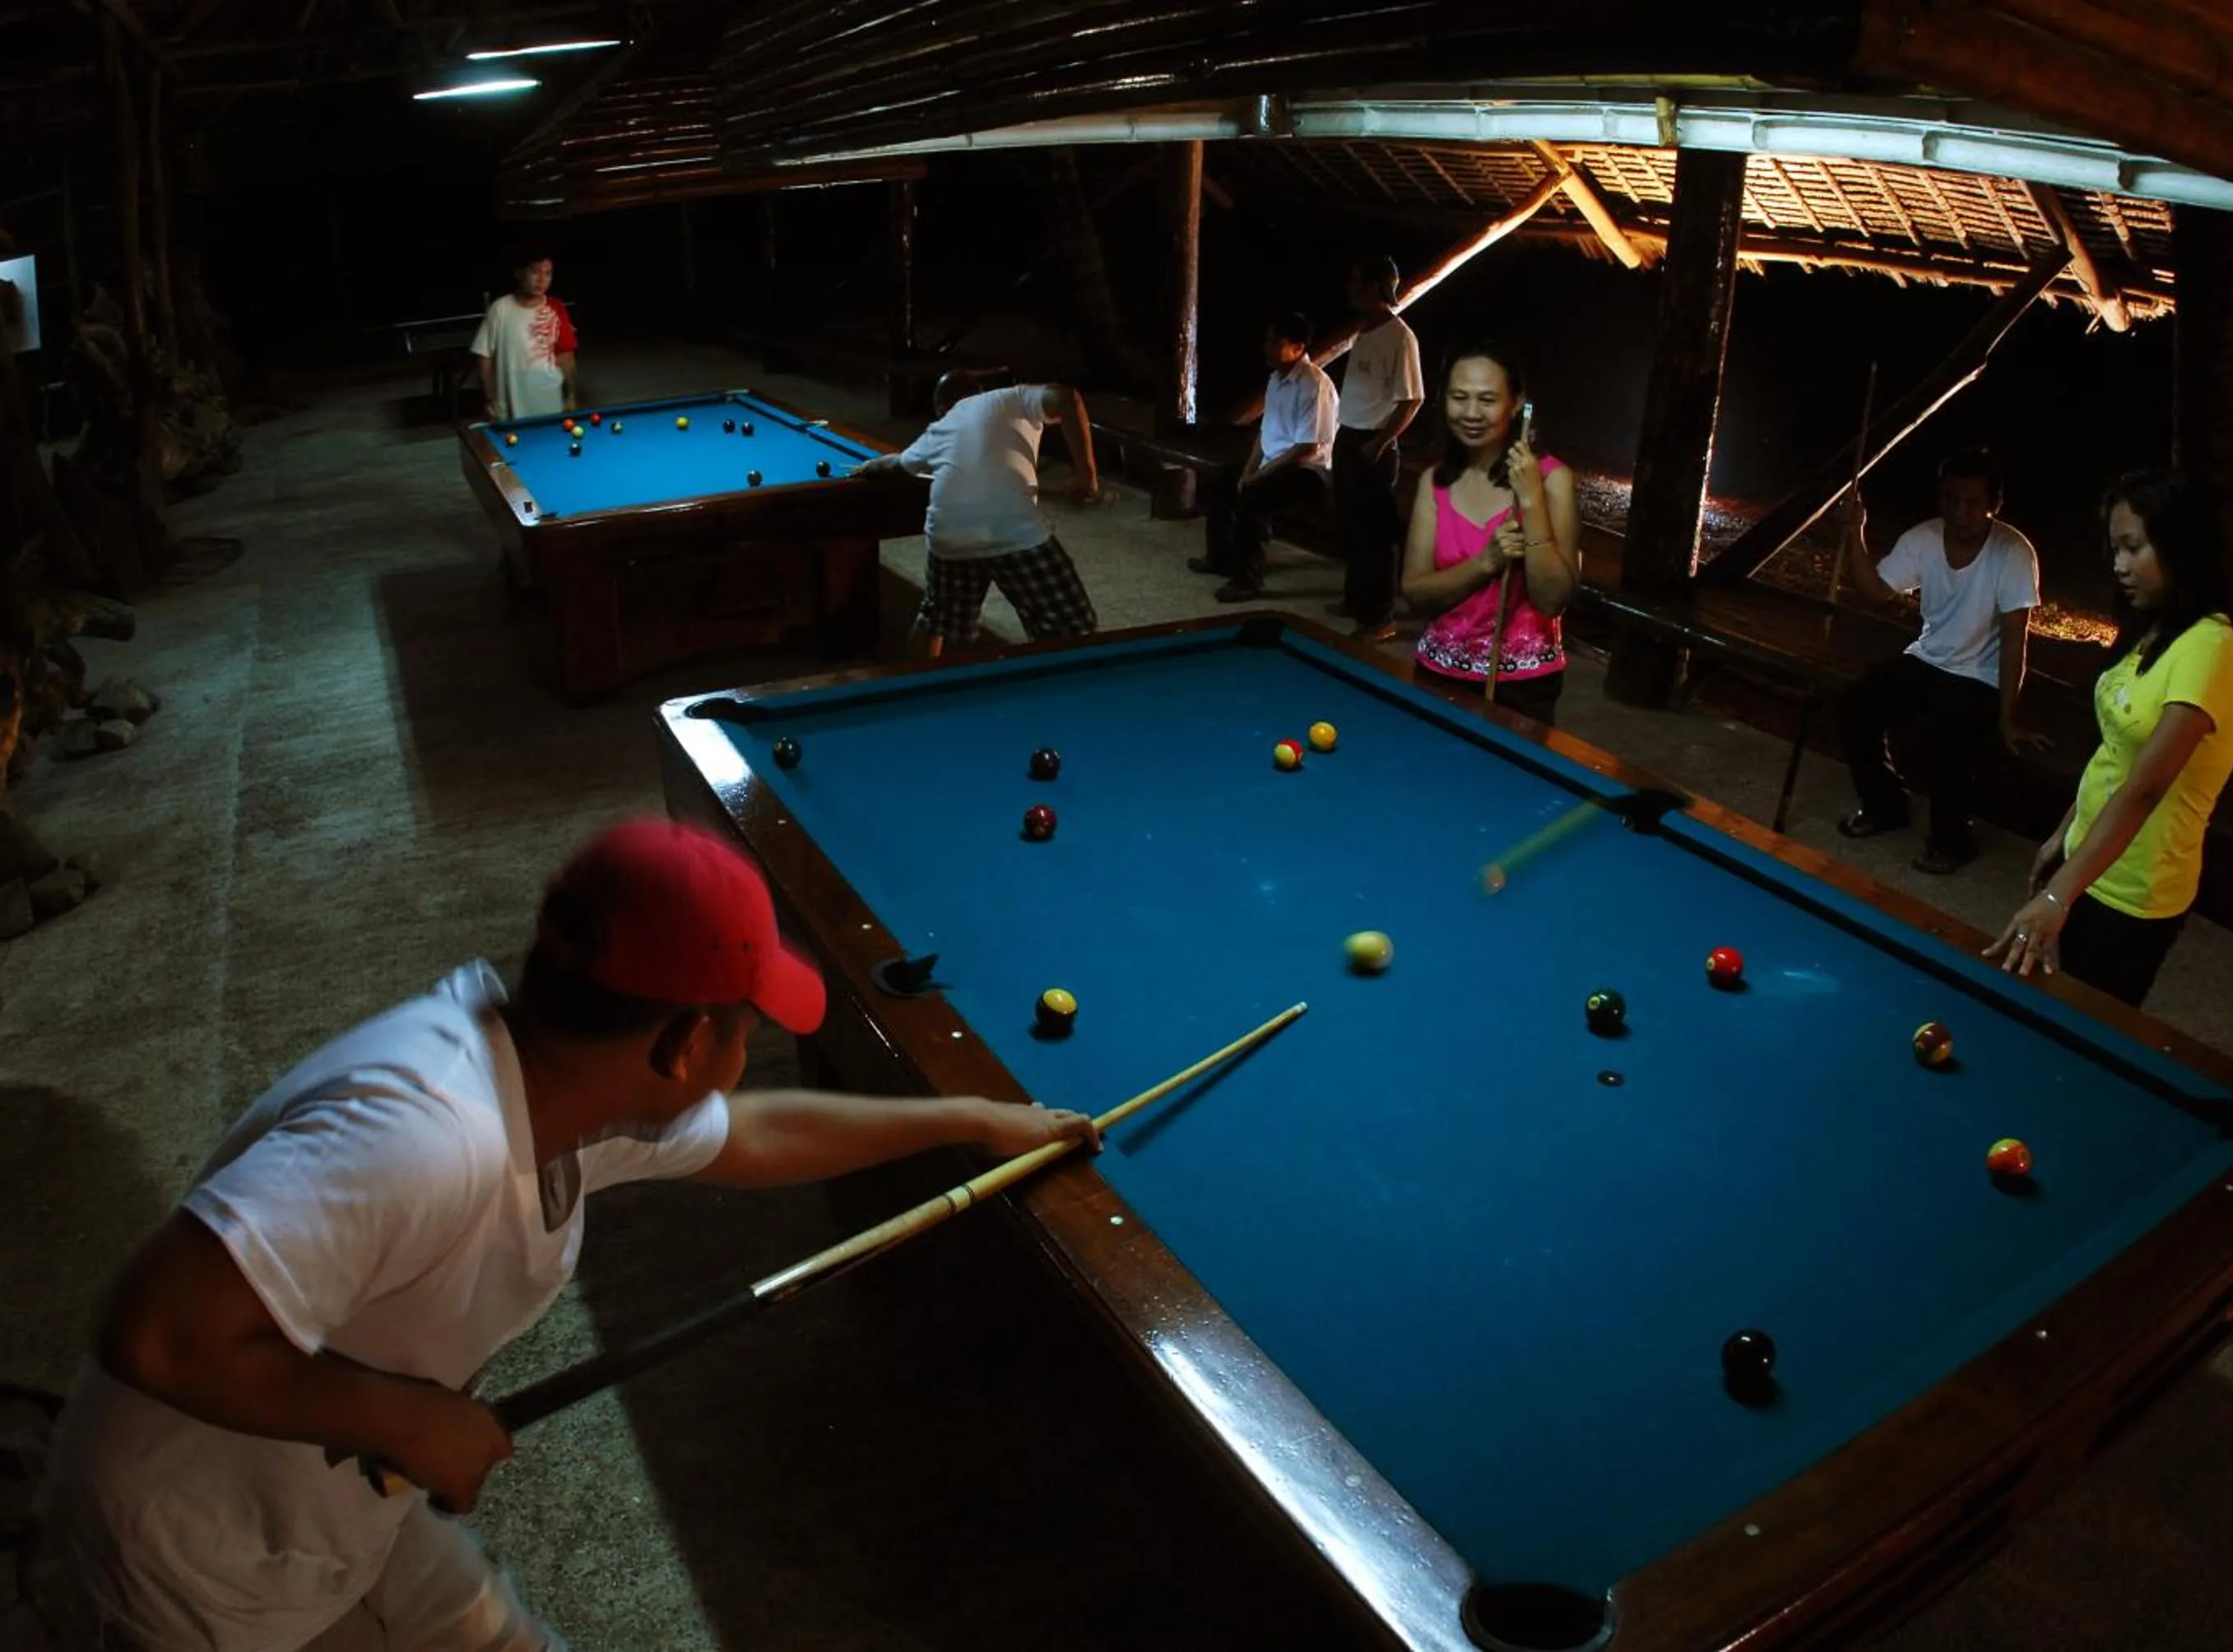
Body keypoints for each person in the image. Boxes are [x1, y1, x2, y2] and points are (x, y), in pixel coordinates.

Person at [42, 819, 1098, 1651]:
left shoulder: (556, 1074)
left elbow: (758, 1133)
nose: (754, 1047)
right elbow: (158, 1332)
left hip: (337, 1485)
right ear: (687, 1042)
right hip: (214, 1548)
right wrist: (411, 1420)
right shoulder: (427, 1136)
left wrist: (973, 1120)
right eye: (749, 1023)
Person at [1985, 470, 2233, 1007]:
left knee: (2080, 1029)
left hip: (2133, 893)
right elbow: (2115, 753)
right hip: (2089, 865)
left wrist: (2060, 894)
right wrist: (2067, 831)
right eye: (2114, 549)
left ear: (2181, 545)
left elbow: (2146, 788)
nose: (2118, 565)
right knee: (2038, 1011)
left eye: (2133, 547)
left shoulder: (2210, 648)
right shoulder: (2149, 627)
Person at [1836, 448, 2049, 873]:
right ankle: (1884, 805)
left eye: (1972, 502)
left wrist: (2008, 717)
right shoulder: (1924, 538)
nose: (1960, 511)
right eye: (1950, 499)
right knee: (1855, 704)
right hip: (1927, 658)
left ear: (1993, 505)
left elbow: (2013, 640)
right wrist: (1853, 531)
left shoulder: (2013, 552)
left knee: (1949, 740)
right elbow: (1875, 592)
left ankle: (1952, 842)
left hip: (1981, 676)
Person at [856, 371, 1103, 659]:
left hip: (949, 538)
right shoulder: (1015, 397)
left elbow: (896, 465)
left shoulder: (938, 428)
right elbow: (1067, 397)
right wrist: (1086, 475)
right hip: (1013, 532)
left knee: (937, 618)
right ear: (981, 391)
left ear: (939, 406)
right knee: (1074, 626)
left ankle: (912, 688)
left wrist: (870, 466)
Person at [1399, 343, 1579, 725]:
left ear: (1517, 405)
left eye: (1487, 400)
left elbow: (1552, 601)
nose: (1471, 413)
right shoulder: (1435, 482)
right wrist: (1486, 563)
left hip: (1521, 690)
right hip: (1436, 673)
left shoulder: (1552, 480)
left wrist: (1531, 502)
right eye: (1459, 397)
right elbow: (1415, 592)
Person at [1188, 311, 1337, 602]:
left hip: (1307, 470)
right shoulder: (1276, 380)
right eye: (1268, 341)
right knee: (1224, 479)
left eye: (1275, 342)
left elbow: (1307, 448)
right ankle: (1220, 557)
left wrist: (1259, 476)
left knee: (1255, 496)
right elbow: (1264, 433)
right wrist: (1249, 469)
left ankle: (1249, 579)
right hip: (1278, 462)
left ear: (1298, 348)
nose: (1267, 348)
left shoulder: (1314, 384)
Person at [1329, 256, 1424, 643]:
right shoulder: (1366, 330)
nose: (1351, 288)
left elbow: (1412, 400)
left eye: (1357, 281)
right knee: (1353, 526)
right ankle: (1356, 601)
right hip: (1350, 437)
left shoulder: (1399, 336)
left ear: (1374, 287)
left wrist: (1380, 442)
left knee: (1375, 535)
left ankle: (1380, 617)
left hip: (1372, 445)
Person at [470, 254, 576, 422]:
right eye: (535, 272)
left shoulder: (555, 308)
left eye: (548, 274)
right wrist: (488, 398)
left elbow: (565, 356)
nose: (541, 280)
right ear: (519, 273)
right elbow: (484, 357)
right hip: (508, 409)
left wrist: (570, 395)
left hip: (549, 405)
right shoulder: (500, 309)